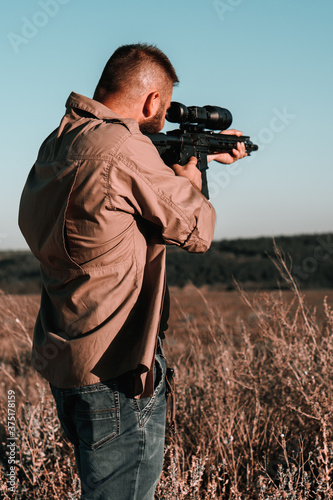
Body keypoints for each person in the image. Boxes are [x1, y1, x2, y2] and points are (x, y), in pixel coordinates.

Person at [18, 43, 247, 499]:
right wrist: (191, 179)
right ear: (152, 102)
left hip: (70, 361)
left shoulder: (60, 141)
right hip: (119, 375)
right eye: (163, 108)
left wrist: (170, 161)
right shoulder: (126, 147)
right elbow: (197, 229)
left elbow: (107, 200)